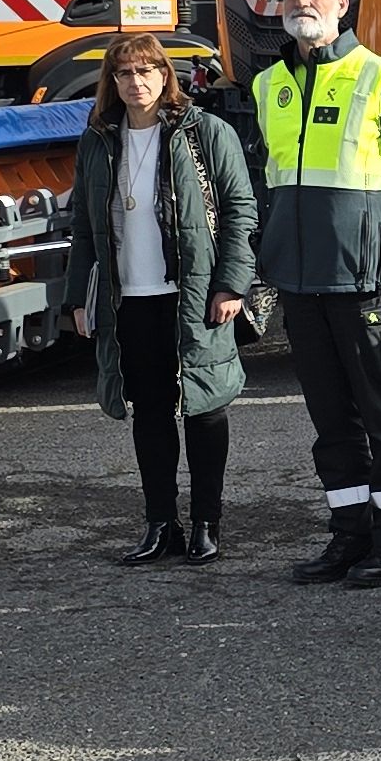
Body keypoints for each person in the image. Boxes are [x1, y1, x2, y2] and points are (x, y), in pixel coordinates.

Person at [251, 0, 381, 584]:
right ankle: (348, 536)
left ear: (342, 3)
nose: (303, 1)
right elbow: (267, 183)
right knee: (330, 421)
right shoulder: (268, 84)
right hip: (300, 282)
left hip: (366, 281)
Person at [62, 33, 259, 564]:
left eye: (148, 70)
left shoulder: (205, 132)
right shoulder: (99, 140)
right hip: (131, 298)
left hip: (192, 293)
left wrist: (231, 283)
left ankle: (206, 523)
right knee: (149, 411)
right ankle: (159, 523)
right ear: (113, 82)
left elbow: (241, 208)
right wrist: (79, 298)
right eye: (125, 73)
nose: (137, 81)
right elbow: (83, 223)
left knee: (204, 406)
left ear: (166, 75)